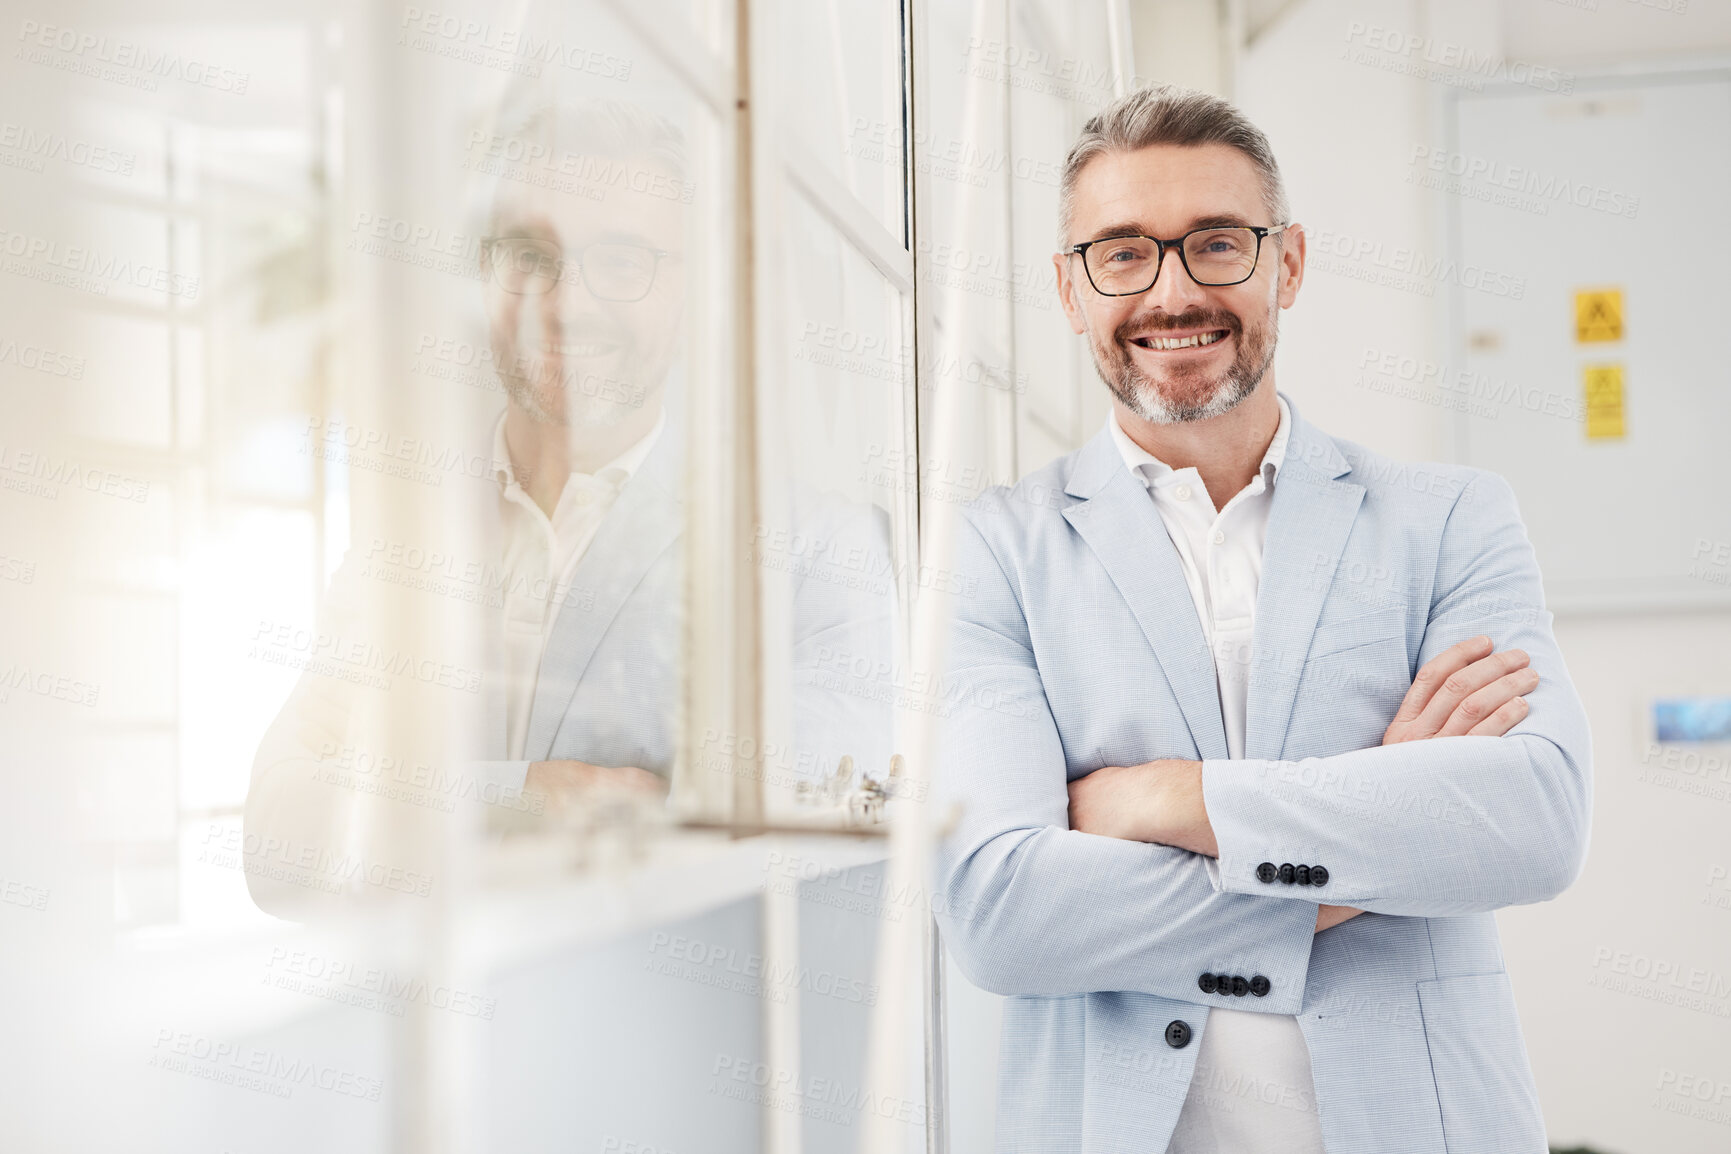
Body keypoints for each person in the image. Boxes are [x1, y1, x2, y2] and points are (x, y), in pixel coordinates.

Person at [932, 85, 1590, 1154]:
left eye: (1217, 243)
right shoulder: (994, 550)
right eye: (1123, 253)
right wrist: (1378, 832)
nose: (1174, 289)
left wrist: (1164, 798)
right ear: (1069, 287)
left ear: (1286, 263)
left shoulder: (1450, 519)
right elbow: (1003, 912)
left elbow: (1533, 821)